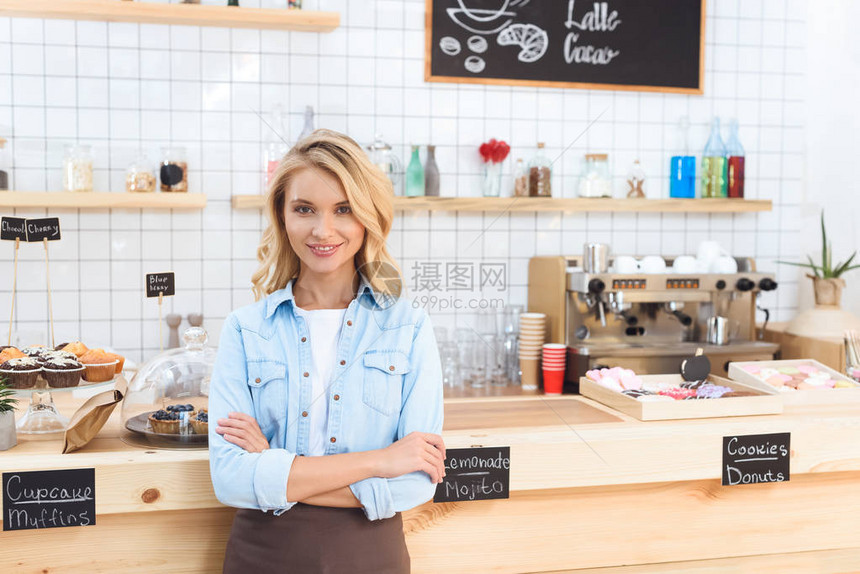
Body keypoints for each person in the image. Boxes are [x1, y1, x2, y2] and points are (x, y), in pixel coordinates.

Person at [208, 129, 446, 573]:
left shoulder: (408, 328)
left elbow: (415, 484)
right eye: (304, 209)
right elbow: (230, 480)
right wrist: (381, 461)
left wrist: (273, 467)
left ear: (367, 217)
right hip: (264, 556)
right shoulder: (245, 329)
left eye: (344, 209)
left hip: (371, 557)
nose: (323, 230)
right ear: (282, 216)